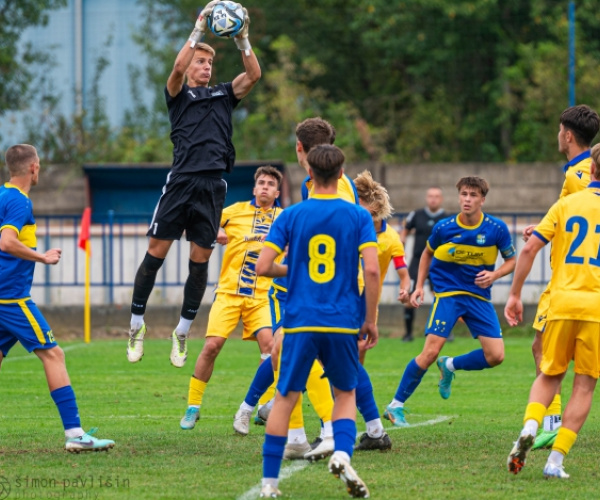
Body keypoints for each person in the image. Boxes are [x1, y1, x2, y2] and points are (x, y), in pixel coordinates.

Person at [126, 1, 261, 368]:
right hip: (181, 183)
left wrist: (243, 38)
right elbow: (176, 67)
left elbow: (253, 75)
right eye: (200, 62)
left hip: (212, 186)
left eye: (209, 63)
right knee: (155, 255)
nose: (205, 67)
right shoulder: (178, 96)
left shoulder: (222, 95)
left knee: (199, 264)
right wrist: (200, 28)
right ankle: (136, 324)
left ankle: (182, 331)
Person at [256, 144, 379, 499]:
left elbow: (264, 267)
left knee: (285, 397)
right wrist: (369, 319)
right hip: (341, 321)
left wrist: (292, 269)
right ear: (342, 174)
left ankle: (269, 484)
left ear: (308, 172)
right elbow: (371, 269)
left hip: (299, 321)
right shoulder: (358, 216)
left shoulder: (290, 215)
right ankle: (341, 453)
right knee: (345, 393)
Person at [0, 144, 115, 452]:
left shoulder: (2, 196)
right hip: (11, 298)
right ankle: (75, 434)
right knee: (54, 354)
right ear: (33, 168)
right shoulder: (19, 201)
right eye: (39, 164)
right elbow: (7, 242)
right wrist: (42, 257)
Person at [384, 177, 516, 427]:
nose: (467, 199)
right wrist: (419, 286)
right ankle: (395, 405)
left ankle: (451, 365)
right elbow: (426, 254)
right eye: (464, 194)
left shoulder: (496, 229)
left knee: (496, 355)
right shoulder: (444, 228)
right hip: (449, 294)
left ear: (482, 199)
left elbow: (512, 260)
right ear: (458, 197)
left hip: (478, 297)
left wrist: (495, 274)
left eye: (473, 195)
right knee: (430, 351)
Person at [505, 143, 600, 479]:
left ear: (590, 170)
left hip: (561, 301)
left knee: (550, 374)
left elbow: (530, 247)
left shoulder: (566, 203)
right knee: (585, 386)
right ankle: (555, 462)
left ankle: (530, 427)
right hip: (596, 308)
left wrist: (515, 294)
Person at [178, 166, 283, 431]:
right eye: (261, 182)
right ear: (254, 189)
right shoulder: (234, 211)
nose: (265, 187)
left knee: (272, 350)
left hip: (262, 297)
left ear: (278, 192)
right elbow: (191, 226)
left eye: (271, 184)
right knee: (212, 346)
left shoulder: (284, 218)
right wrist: (214, 231)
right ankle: (193, 406)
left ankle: (263, 407)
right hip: (228, 292)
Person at [521, 104, 599, 450]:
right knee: (542, 348)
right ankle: (551, 423)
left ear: (567, 133)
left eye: (558, 129)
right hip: (578, 284)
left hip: (569, 282)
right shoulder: (576, 170)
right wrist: (543, 228)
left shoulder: (578, 173)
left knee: (547, 354)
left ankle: (549, 421)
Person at [352, 170, 410, 451]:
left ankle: (349, 422)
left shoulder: (390, 238)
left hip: (359, 298)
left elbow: (400, 268)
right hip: (343, 294)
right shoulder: (349, 223)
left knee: (350, 360)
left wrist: (406, 286)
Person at [400, 187, 447, 342]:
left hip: (439, 264)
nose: (433, 199)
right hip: (417, 262)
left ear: (441, 199)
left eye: (436, 196)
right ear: (427, 198)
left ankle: (445, 331)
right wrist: (401, 247)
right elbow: (404, 230)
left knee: (442, 297)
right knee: (410, 295)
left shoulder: (447, 218)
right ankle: (408, 333)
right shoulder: (417, 214)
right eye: (430, 196)